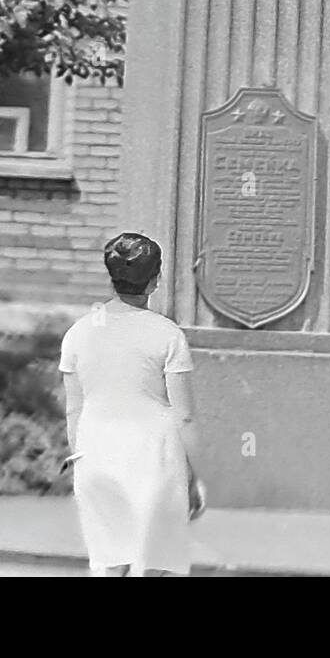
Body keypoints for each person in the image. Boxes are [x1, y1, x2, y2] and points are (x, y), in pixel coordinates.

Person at [59, 232, 205, 577]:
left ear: (112, 277)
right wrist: (194, 475)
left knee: (110, 559)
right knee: (153, 561)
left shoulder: (79, 333)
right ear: (155, 280)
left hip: (96, 451)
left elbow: (73, 409)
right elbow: (183, 415)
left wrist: (78, 458)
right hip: (153, 454)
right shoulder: (167, 335)